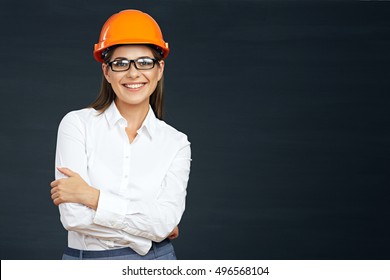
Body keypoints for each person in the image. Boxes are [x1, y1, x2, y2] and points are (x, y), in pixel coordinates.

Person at [49, 9, 191, 260]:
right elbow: (74, 217)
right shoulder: (77, 125)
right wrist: (147, 235)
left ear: (159, 70)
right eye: (120, 63)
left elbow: (165, 222)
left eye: (144, 62)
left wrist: (92, 197)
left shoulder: (176, 143)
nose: (133, 73)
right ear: (107, 72)